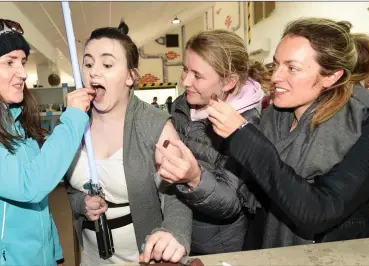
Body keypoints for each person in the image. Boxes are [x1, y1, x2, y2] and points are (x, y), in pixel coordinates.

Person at [207, 18, 369, 249]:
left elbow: (318, 212)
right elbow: (256, 209)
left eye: (292, 68)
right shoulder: (273, 118)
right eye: (276, 64)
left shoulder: (366, 127)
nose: (276, 76)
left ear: (331, 76)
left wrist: (245, 138)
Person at [64, 21, 192, 265]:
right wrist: (82, 203)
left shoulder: (155, 125)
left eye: (107, 64)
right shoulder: (74, 121)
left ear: (131, 77)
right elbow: (69, 187)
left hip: (142, 257)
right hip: (91, 255)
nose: (93, 72)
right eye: (88, 63)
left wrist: (174, 234)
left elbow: (177, 194)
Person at [155, 29, 267, 255]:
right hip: (178, 233)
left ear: (228, 82)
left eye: (197, 75)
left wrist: (194, 179)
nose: (186, 81)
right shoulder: (182, 104)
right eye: (185, 70)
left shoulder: (247, 127)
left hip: (215, 249)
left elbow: (231, 205)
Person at [0, 19, 94, 265]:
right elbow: (29, 186)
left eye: (22, 62)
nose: (22, 72)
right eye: (9, 62)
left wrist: (54, 253)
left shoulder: (18, 125)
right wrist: (72, 118)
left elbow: (40, 203)